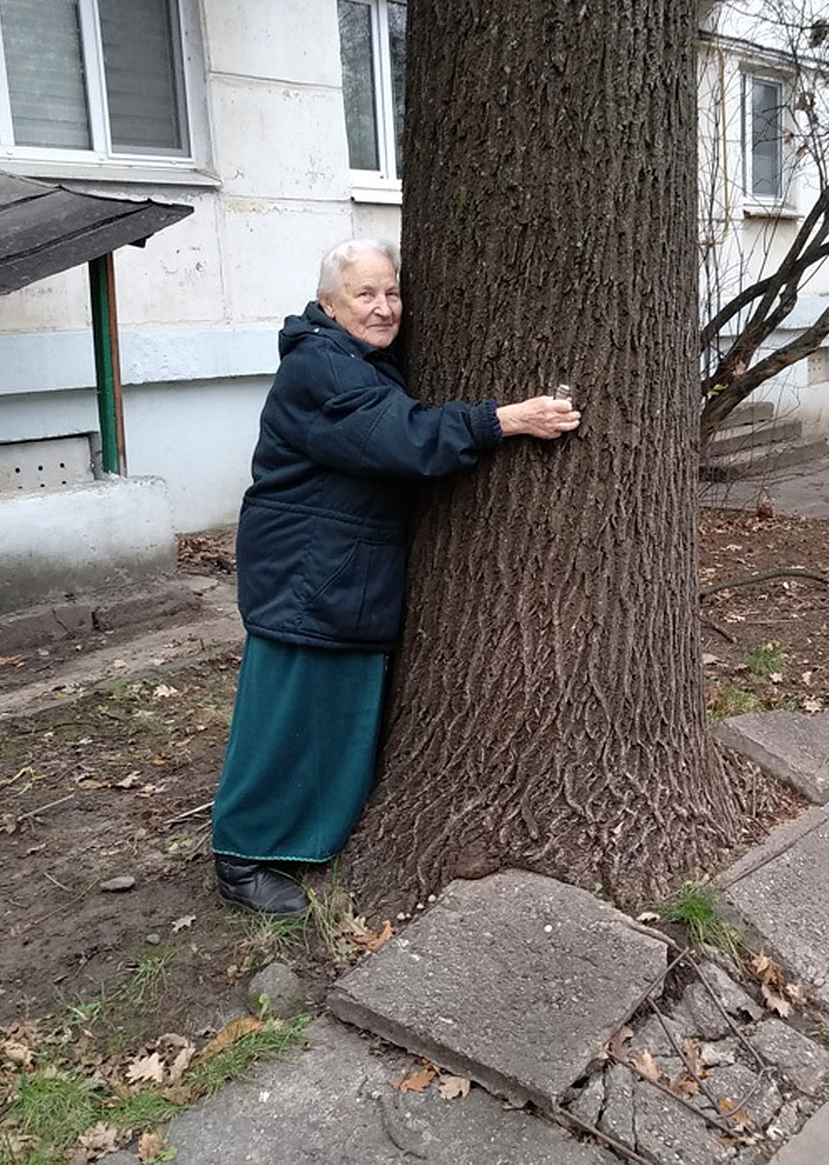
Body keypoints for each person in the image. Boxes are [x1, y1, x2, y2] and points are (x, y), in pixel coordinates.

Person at [211, 239, 580, 916]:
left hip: (337, 572)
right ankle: (241, 856)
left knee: (333, 715)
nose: (384, 308)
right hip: (308, 575)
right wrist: (507, 419)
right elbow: (398, 437)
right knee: (285, 716)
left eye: (391, 293)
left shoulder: (358, 360)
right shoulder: (320, 369)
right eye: (365, 296)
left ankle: (300, 841)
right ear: (328, 305)